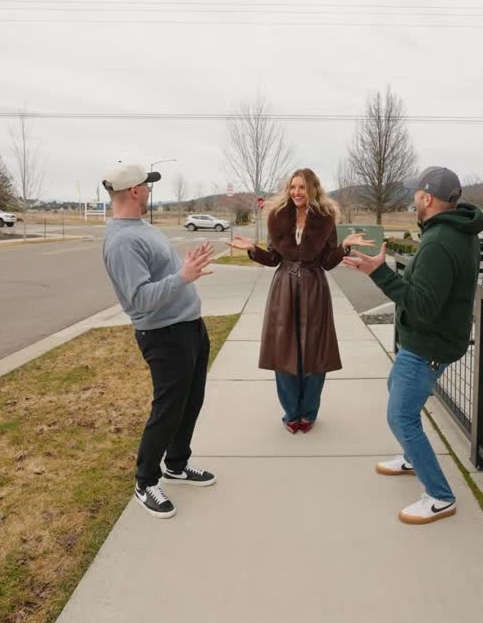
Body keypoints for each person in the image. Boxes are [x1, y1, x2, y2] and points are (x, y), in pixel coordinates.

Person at [343, 166, 483, 525]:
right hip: (431, 340)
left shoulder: (439, 241)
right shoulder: (457, 232)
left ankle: (440, 496)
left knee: (401, 416)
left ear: (427, 198)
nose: (414, 200)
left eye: (416, 195)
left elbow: (423, 305)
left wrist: (378, 272)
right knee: (396, 389)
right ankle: (411, 458)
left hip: (427, 345)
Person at [102, 162, 217, 519]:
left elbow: (162, 278)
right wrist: (183, 276)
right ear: (134, 191)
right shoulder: (122, 241)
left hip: (188, 327)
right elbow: (139, 299)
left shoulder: (141, 227)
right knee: (167, 410)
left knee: (190, 401)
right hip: (164, 335)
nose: (150, 190)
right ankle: (145, 481)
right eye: (147, 185)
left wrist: (182, 273)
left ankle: (177, 464)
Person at [228, 168, 374, 432]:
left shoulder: (326, 219)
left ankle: (308, 413)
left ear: (312, 189)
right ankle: (291, 413)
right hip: (283, 290)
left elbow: (327, 262)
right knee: (284, 352)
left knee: (315, 352)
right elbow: (273, 259)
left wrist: (344, 247)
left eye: (302, 187)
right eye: (293, 187)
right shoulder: (277, 217)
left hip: (315, 289)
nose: (297, 192)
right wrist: (252, 249)